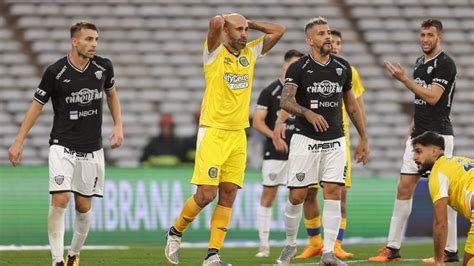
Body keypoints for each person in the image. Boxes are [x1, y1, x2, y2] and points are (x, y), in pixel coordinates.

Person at [164, 13, 285, 265]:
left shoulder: (250, 53)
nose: (244, 34)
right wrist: (224, 20)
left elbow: (278, 30)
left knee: (228, 194)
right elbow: (214, 24)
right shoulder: (213, 53)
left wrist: (249, 23)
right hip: (213, 131)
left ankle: (212, 255)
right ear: (226, 32)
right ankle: (175, 231)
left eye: (246, 30)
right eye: (238, 30)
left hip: (238, 133)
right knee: (206, 194)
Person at [8, 21, 123, 266]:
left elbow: (112, 94)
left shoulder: (104, 67)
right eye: (89, 39)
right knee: (60, 199)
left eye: (96, 40)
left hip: (92, 148)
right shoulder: (55, 72)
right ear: (74, 41)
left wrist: (118, 125)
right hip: (62, 145)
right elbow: (36, 105)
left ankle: (74, 254)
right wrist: (19, 141)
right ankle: (57, 260)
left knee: (83, 206)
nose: (94, 44)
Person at [274, 17, 369, 266]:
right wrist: (307, 112)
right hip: (305, 140)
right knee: (297, 196)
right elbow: (285, 101)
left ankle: (328, 253)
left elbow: (352, 105)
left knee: (334, 191)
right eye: (321, 34)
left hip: (335, 140)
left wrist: (363, 138)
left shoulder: (343, 67)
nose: (327, 37)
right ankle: (290, 244)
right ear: (309, 40)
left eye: (328, 32)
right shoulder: (299, 68)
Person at [368, 19, 458, 263]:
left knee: (444, 197)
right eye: (422, 35)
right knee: (403, 188)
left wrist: (404, 80)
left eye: (430, 35)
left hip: (439, 137)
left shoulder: (446, 64)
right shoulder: (420, 63)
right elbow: (420, 105)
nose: (425, 39)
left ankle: (450, 251)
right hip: (418, 136)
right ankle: (392, 248)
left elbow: (432, 97)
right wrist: (410, 131)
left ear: (439, 37)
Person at [252, 49, 304, 258]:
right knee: (268, 195)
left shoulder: (304, 91)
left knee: (300, 196)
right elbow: (257, 122)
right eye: (292, 65)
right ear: (284, 66)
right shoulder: (270, 91)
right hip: (275, 153)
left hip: (299, 152)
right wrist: (273, 136)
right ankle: (264, 245)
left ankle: (293, 243)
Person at [410, 131, 474, 266]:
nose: (414, 157)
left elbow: (441, 223)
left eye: (418, 151)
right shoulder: (460, 161)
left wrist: (439, 261)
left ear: (433, 151)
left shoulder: (437, 174)